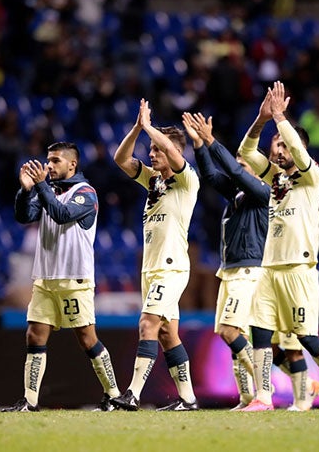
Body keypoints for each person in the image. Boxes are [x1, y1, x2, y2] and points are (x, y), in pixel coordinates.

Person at [183, 112, 319, 412]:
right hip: (232, 270)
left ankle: (266, 390)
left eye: (244, 165)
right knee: (238, 335)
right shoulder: (238, 195)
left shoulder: (263, 192)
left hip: (252, 271)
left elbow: (233, 170)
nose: (240, 166)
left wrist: (212, 142)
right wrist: (199, 146)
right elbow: (210, 175)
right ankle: (257, 395)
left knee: (232, 332)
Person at [237, 81, 319, 411]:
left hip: (300, 270)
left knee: (306, 338)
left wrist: (280, 119)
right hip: (269, 268)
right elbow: (245, 153)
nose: (278, 150)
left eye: (283, 145)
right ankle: (263, 397)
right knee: (259, 331)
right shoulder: (274, 176)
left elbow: (299, 155)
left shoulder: (313, 175)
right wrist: (262, 120)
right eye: (275, 146)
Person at [1, 141, 121, 412]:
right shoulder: (49, 190)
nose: (49, 165)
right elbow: (24, 216)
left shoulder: (86, 193)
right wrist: (25, 189)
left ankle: (114, 395)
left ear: (72, 164)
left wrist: (41, 186)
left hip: (74, 278)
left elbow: (61, 214)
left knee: (86, 338)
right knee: (34, 335)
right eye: (48, 160)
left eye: (55, 161)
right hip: (45, 277)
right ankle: (29, 402)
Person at [110, 99, 200, 411]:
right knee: (166, 333)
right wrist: (138, 128)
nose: (151, 154)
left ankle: (132, 394)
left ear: (174, 152)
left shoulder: (187, 179)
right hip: (152, 268)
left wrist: (150, 127)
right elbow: (120, 158)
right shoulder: (153, 181)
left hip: (170, 267)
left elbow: (174, 153)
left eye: (157, 149)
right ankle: (188, 399)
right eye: (150, 149)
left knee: (147, 323)